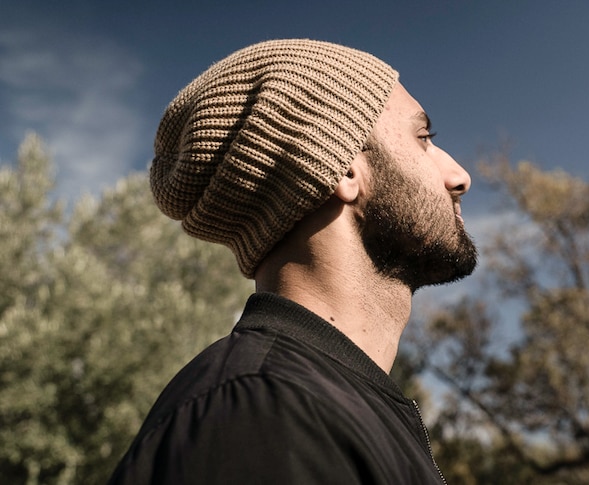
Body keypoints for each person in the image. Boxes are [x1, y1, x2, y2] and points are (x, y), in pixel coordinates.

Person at [108, 39, 477, 484]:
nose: (459, 177)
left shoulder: (311, 402)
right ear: (342, 170)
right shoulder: (262, 412)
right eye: (423, 139)